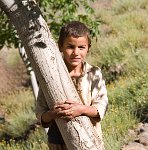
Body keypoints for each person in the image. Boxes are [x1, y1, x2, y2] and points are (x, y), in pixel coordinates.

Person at [35, 21, 108, 150]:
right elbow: (41, 114)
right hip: (57, 143)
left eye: (81, 47)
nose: (75, 52)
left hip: (88, 140)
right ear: (60, 46)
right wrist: (53, 114)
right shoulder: (51, 75)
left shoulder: (94, 73)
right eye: (70, 47)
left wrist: (81, 109)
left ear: (88, 48)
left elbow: (100, 107)